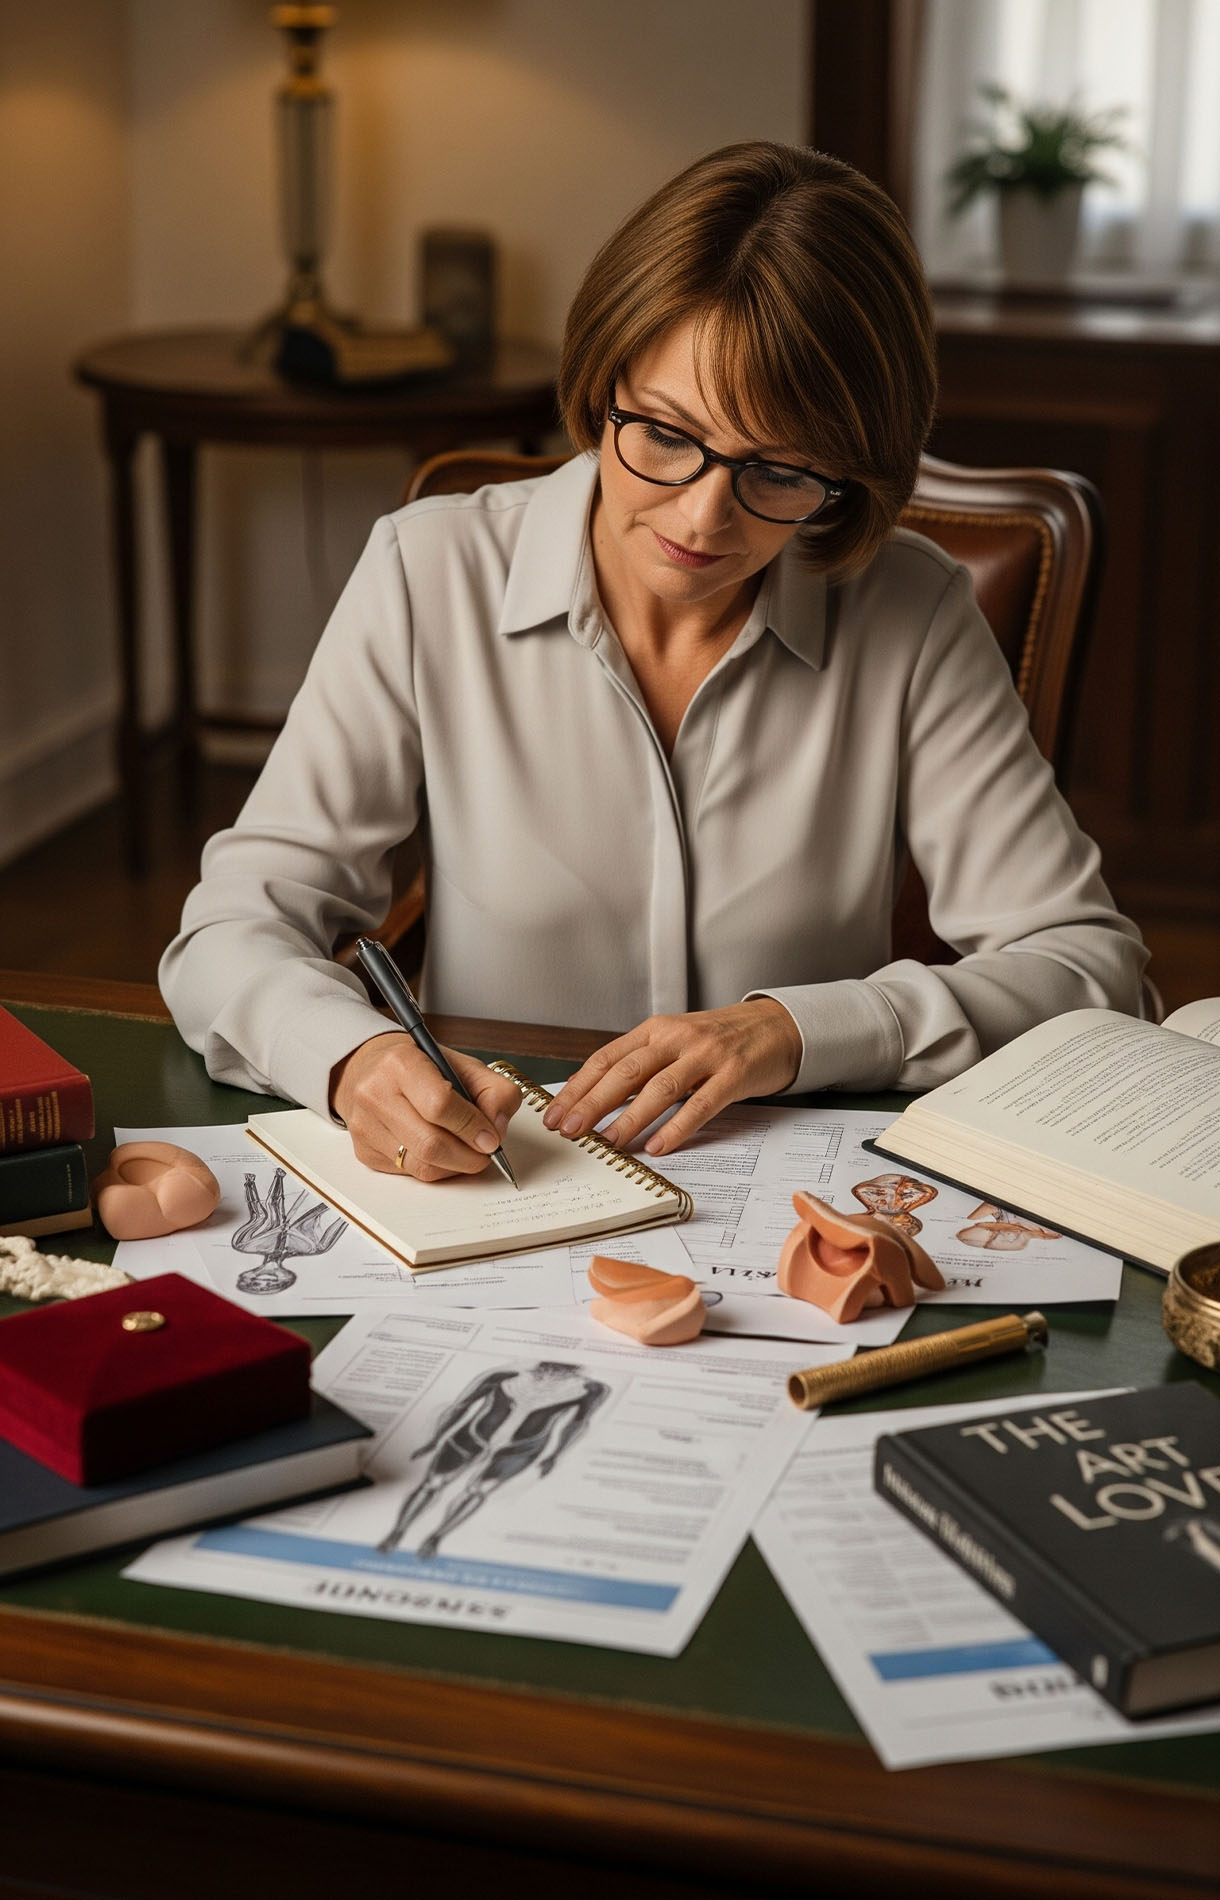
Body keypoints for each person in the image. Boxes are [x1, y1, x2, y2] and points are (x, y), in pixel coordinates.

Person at [161, 141, 1146, 1182]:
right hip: (500, 1191)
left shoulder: (911, 611)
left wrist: (798, 1029)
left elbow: (1092, 973)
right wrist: (352, 1056)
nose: (701, 515)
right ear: (603, 381)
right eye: (665, 434)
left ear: (847, 473)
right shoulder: (428, 572)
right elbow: (231, 932)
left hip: (800, 1215)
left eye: (776, 469)